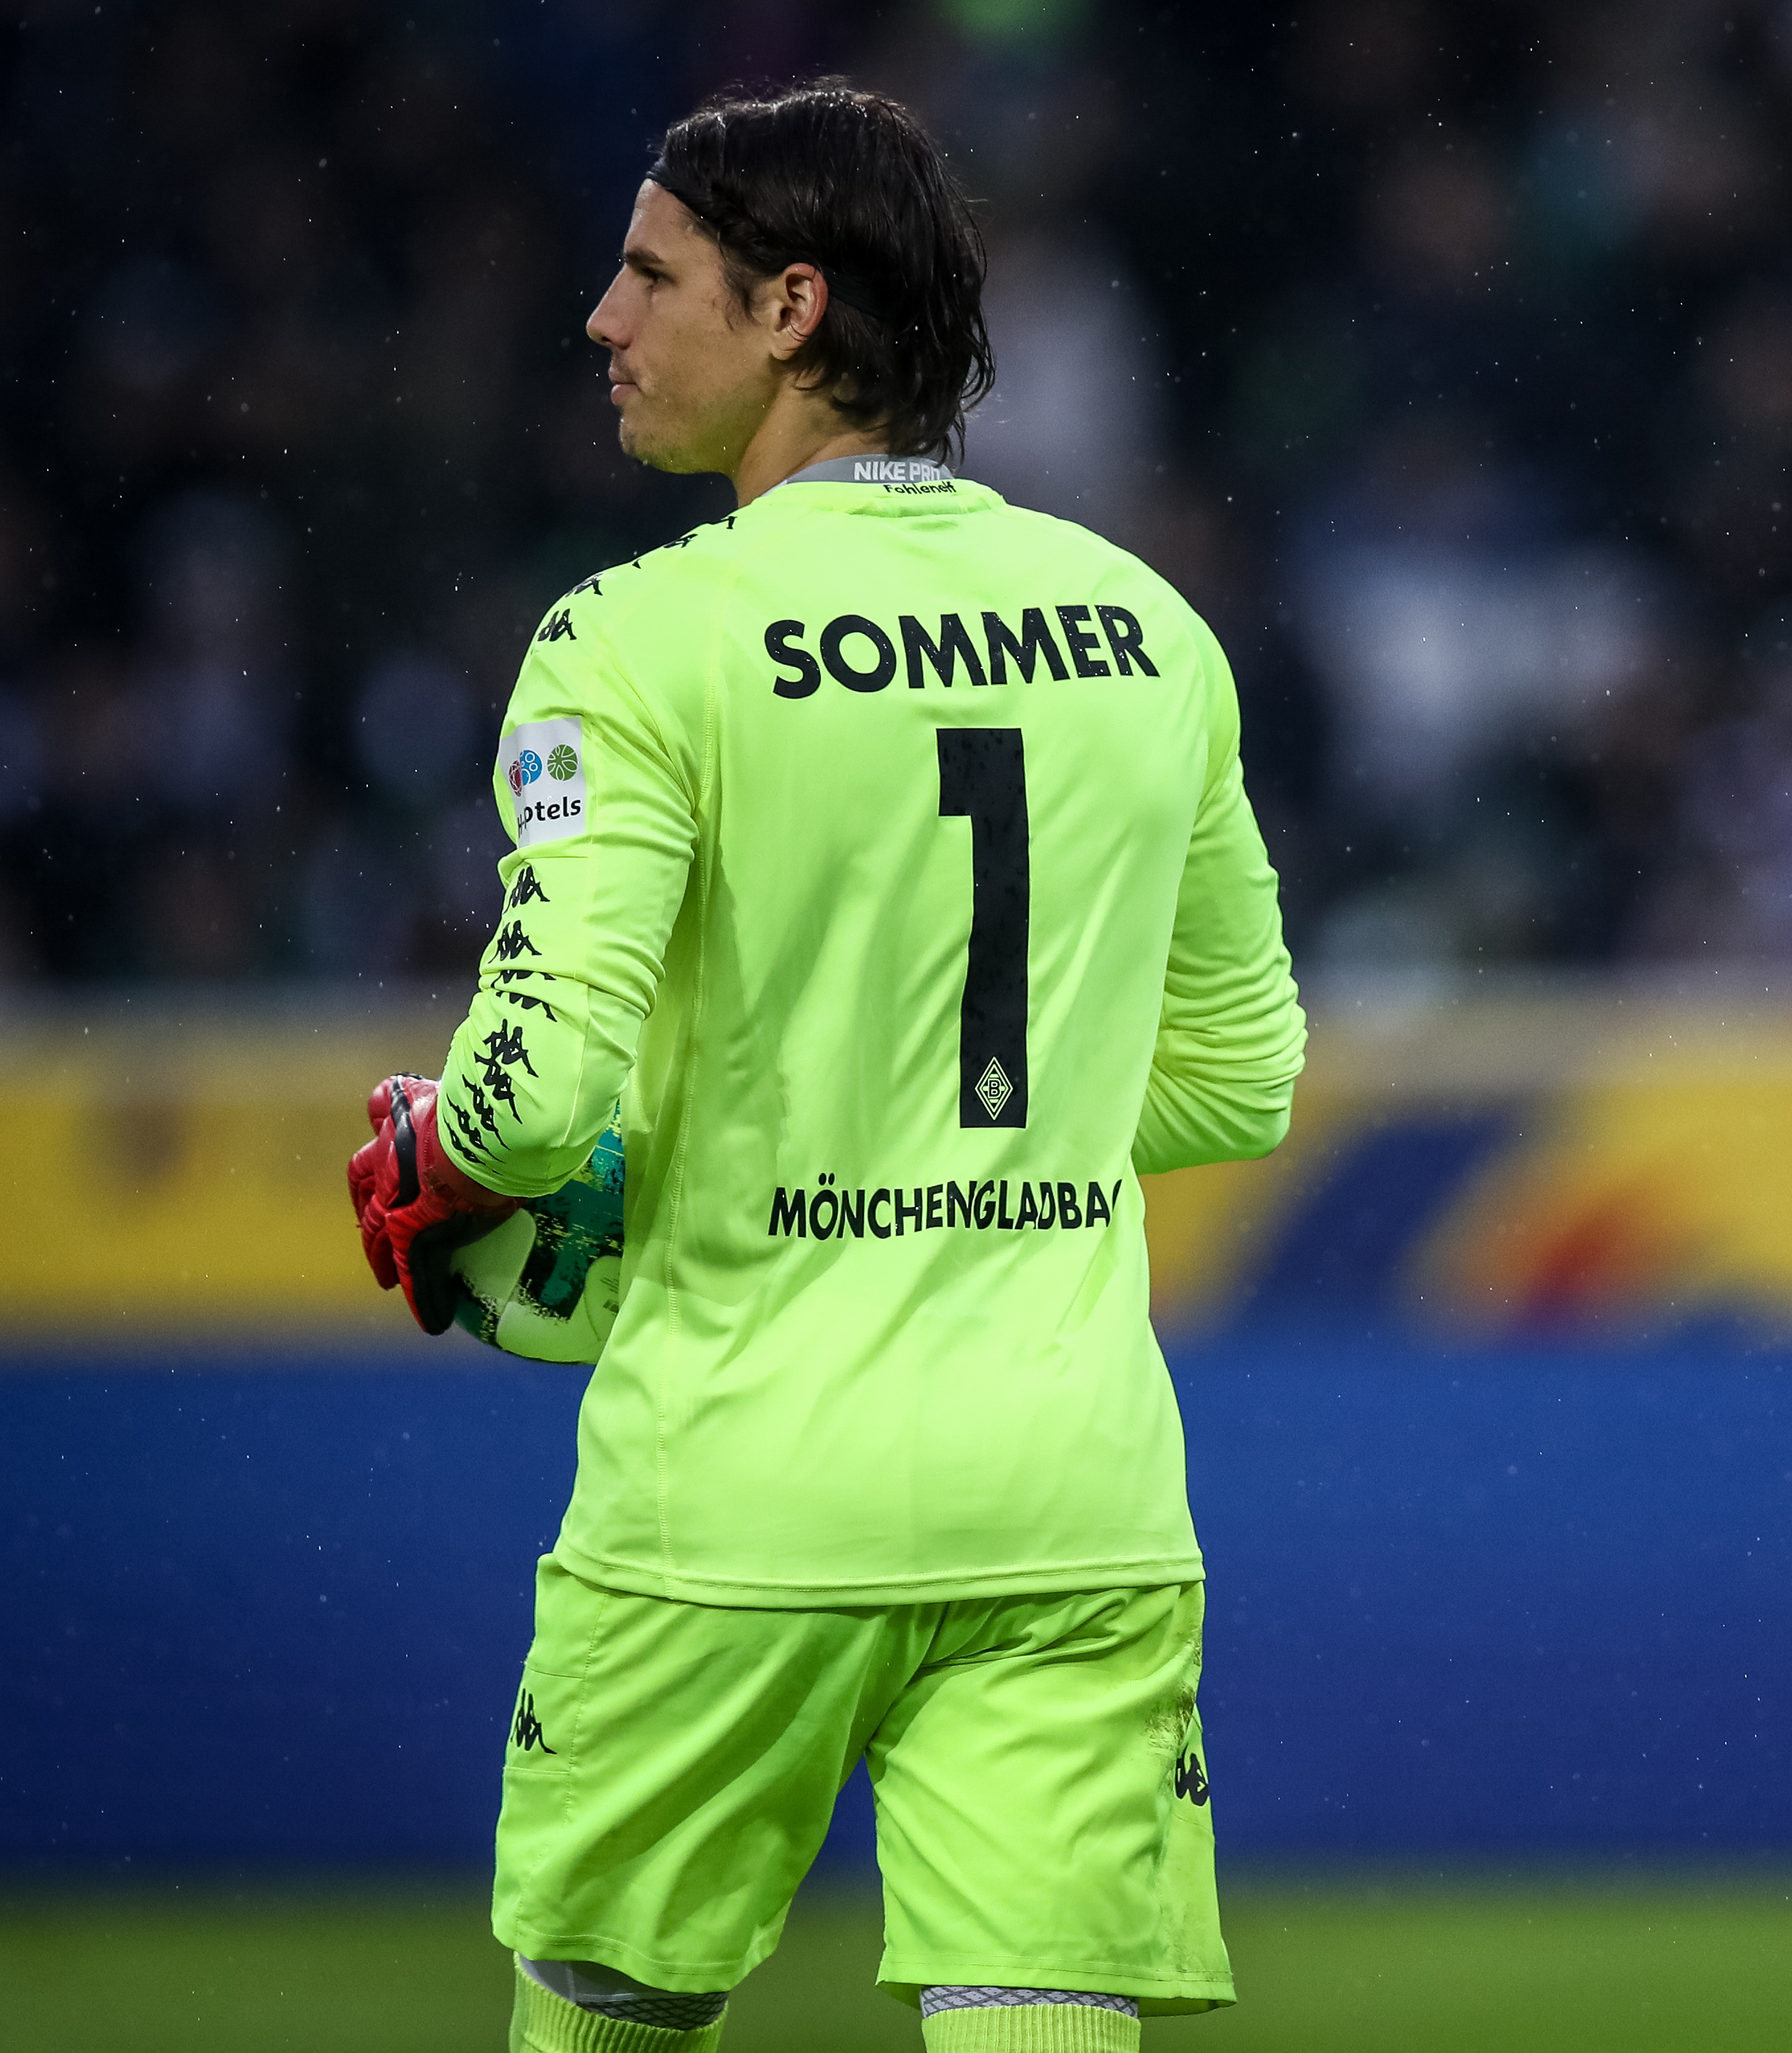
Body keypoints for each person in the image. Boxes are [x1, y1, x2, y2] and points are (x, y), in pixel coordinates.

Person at [343, 81, 1306, 2053]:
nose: (602, 322)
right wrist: (958, 1138)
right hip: (1069, 1497)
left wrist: (488, 1160)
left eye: (647, 274)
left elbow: (528, 1098)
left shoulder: (637, 640)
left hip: (738, 1499)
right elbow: (1238, 1079)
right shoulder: (1151, 631)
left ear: (792, 311)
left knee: (607, 2016)